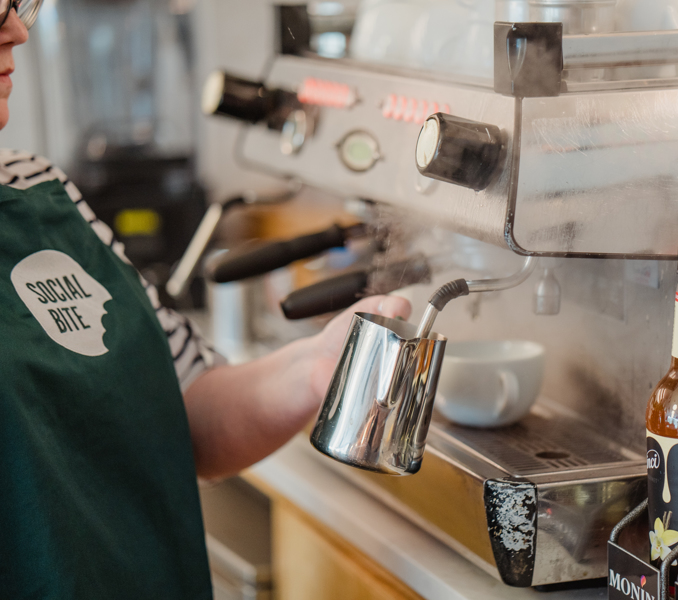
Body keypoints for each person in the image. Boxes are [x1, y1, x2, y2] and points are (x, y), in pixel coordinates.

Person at [0, 3, 412, 598]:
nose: (16, 30)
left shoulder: (43, 194)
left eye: (18, 3)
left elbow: (188, 405)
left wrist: (313, 368)